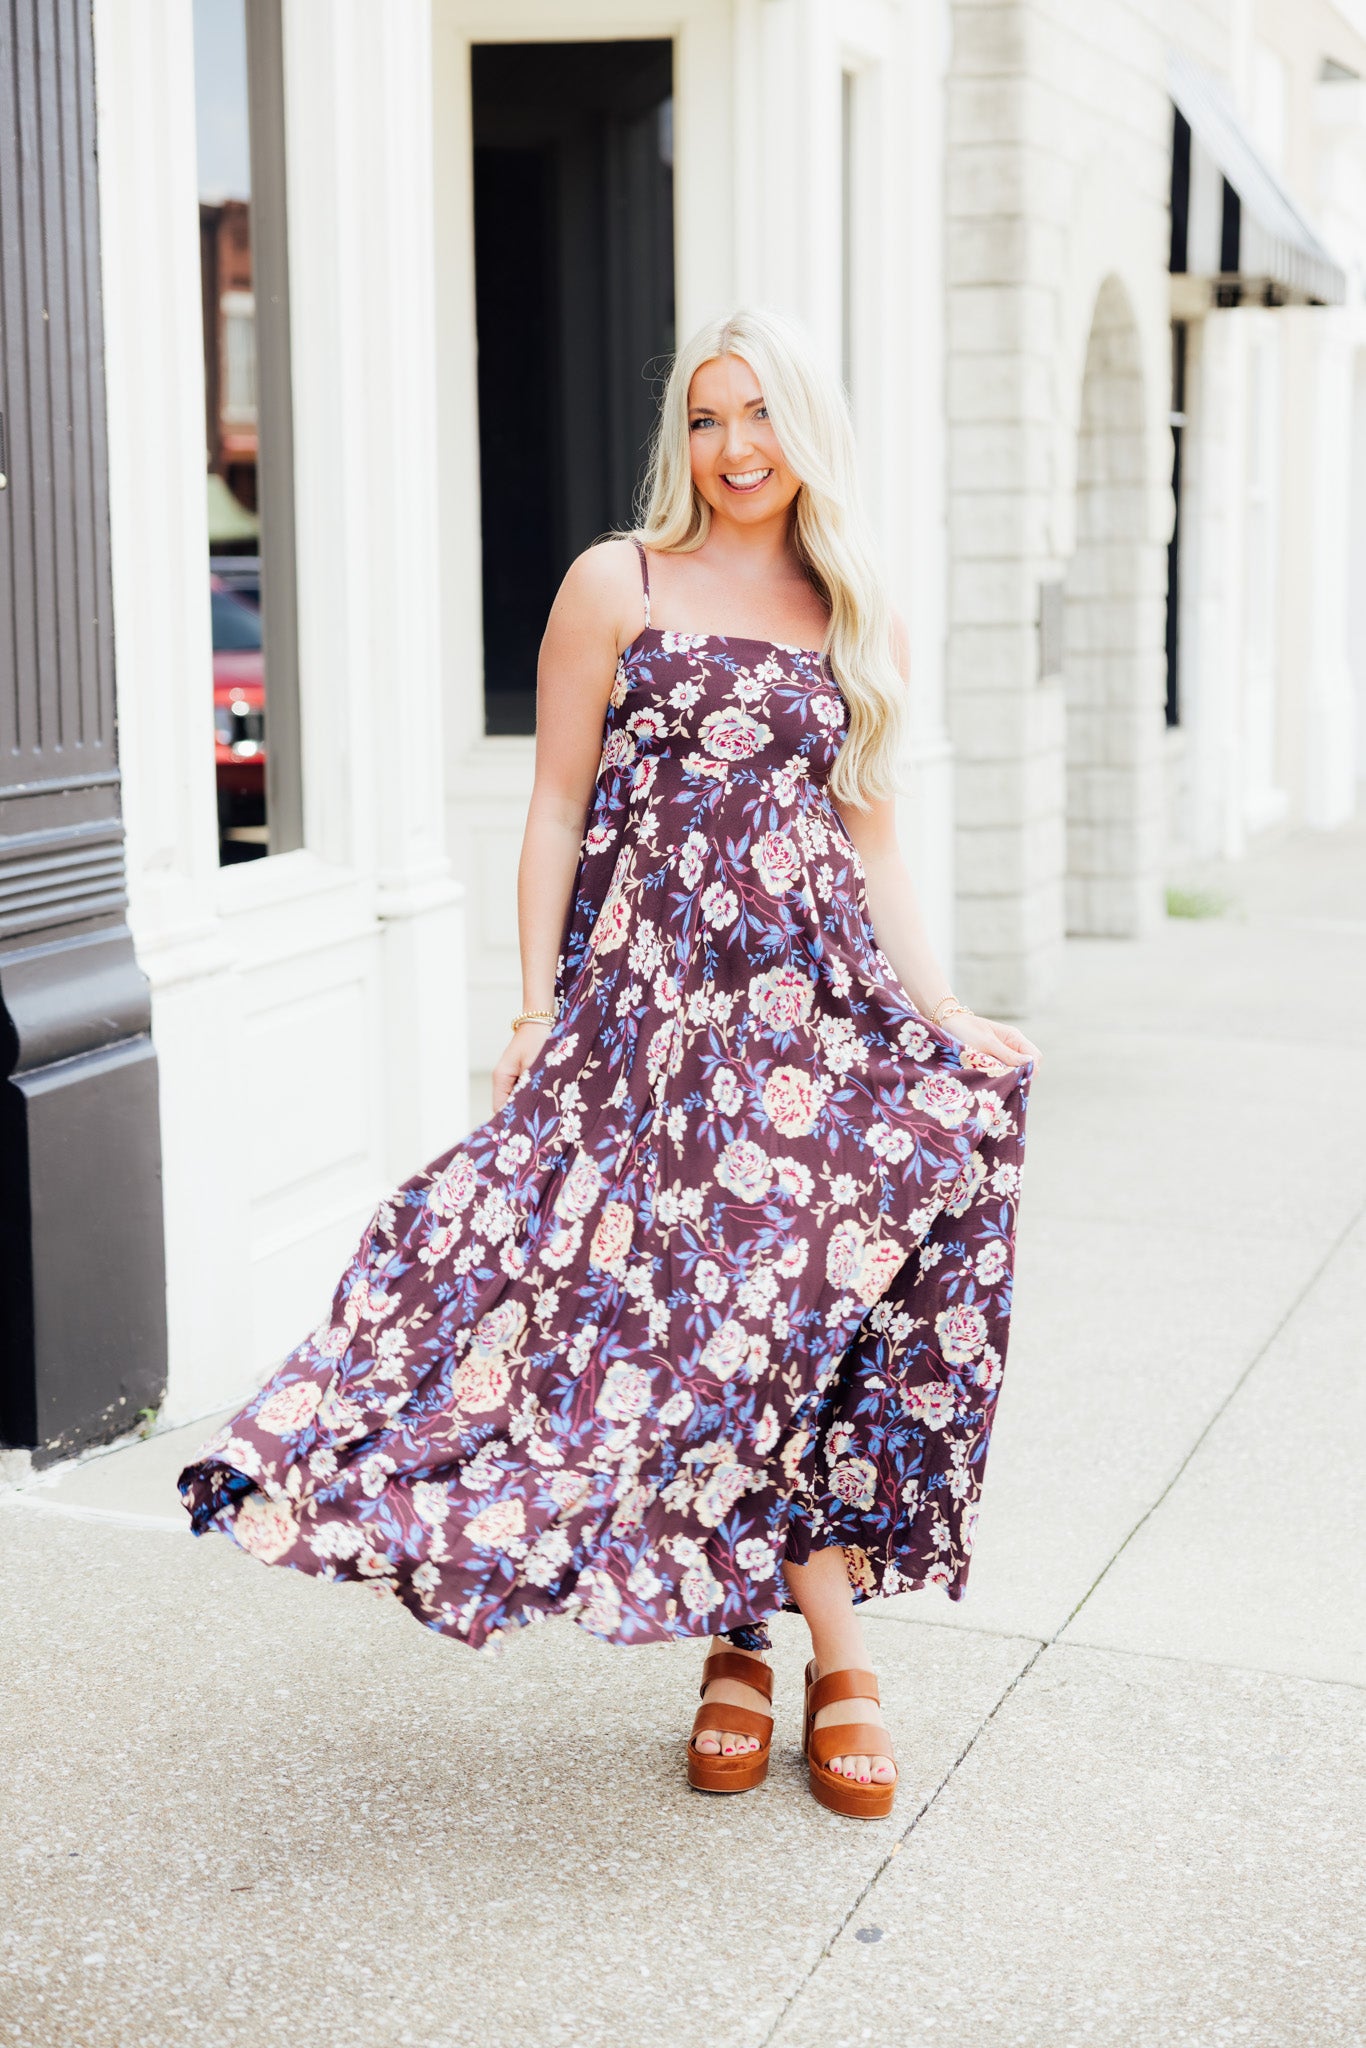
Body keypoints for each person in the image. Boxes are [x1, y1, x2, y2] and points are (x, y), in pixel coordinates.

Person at [180, 307, 1040, 1822]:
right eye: (705, 420)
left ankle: (772, 1655)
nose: (732, 449)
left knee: (794, 1322)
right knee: (678, 1322)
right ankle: (796, 1657)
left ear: (807, 429)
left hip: (817, 1024)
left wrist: (947, 1007)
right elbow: (555, 808)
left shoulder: (859, 616)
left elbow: (874, 841)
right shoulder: (618, 582)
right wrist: (532, 1009)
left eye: (757, 416)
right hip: (650, 1030)